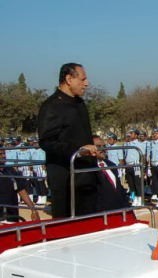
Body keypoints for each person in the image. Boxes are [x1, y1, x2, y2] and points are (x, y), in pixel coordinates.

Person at [37, 63, 97, 217]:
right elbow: (46, 142)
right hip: (65, 179)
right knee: (68, 224)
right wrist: (78, 151)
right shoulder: (51, 106)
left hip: (87, 175)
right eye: (82, 79)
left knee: (91, 221)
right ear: (69, 79)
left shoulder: (80, 103)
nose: (86, 83)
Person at [0, 149, 40, 222]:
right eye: (0, 154)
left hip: (12, 213)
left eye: (4, 153)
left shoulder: (11, 170)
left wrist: (33, 210)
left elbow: (21, 190)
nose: (4, 156)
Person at [94, 138, 130, 212]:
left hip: (119, 209)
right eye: (98, 146)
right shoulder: (88, 168)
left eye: (104, 146)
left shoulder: (111, 164)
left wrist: (126, 205)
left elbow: (119, 187)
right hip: (100, 212)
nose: (103, 149)